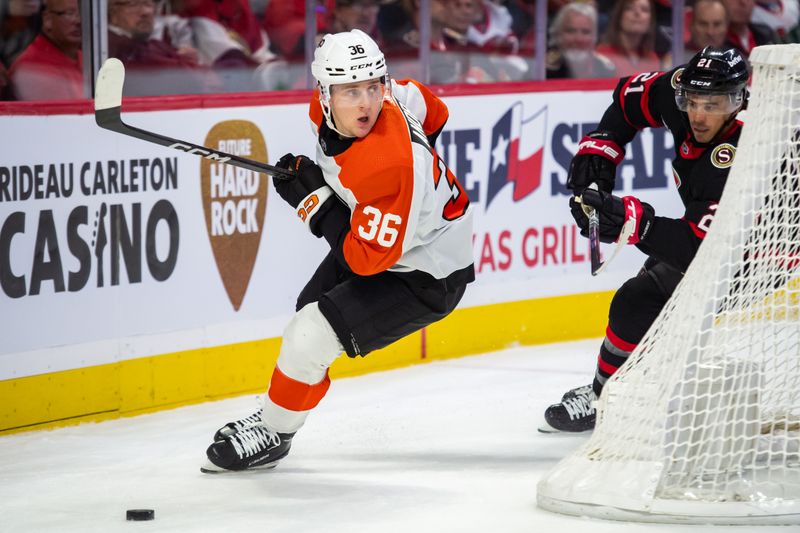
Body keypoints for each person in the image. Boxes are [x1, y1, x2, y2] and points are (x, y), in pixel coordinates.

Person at [202, 29, 475, 472]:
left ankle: (274, 432)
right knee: (307, 313)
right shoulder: (393, 97)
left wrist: (316, 203)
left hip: (429, 273)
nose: (366, 102)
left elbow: (365, 261)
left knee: (310, 334)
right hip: (400, 241)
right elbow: (434, 109)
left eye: (373, 86)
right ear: (324, 94)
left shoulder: (388, 166)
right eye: (351, 90)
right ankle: (280, 413)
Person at [540, 45, 749, 433]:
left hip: (764, 248)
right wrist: (601, 145)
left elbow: (700, 251)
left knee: (659, 302)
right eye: (694, 101)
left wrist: (634, 223)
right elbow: (628, 100)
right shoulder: (679, 94)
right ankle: (604, 396)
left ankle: (631, 389)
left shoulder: (744, 150)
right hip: (708, 232)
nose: (699, 115)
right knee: (637, 303)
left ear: (737, 100)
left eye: (714, 103)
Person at [8, 0, 82, 100]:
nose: (79, 21)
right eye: (69, 13)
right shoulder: (34, 67)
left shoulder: (87, 57)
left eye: (82, 14)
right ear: (47, 20)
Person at [546, 2, 616, 79]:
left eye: (586, 32)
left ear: (595, 36)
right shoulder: (545, 69)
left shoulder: (605, 68)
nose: (579, 39)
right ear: (558, 33)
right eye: (571, 31)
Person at [596, 0, 662, 77]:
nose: (637, 13)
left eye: (644, 9)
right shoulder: (602, 55)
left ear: (650, 21)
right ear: (619, 17)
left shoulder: (652, 59)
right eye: (630, 8)